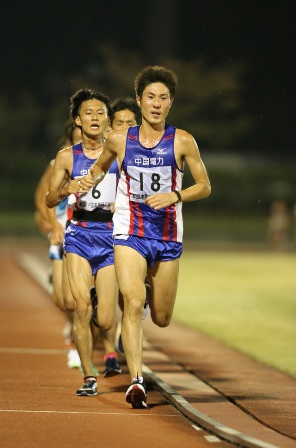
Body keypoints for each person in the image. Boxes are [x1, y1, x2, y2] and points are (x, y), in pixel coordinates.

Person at [79, 65, 211, 408]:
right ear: (139, 101)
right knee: (133, 303)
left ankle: (150, 290)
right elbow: (99, 166)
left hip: (167, 236)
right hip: (129, 231)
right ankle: (137, 380)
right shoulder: (120, 138)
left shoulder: (182, 141)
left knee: (162, 318)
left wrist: (176, 196)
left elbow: (205, 186)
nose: (156, 103)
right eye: (150, 97)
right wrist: (84, 182)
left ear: (170, 104)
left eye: (163, 98)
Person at [46, 88, 121, 396]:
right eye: (88, 113)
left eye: (100, 113)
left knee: (104, 319)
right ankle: (89, 376)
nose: (94, 117)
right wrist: (67, 188)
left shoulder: (120, 152)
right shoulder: (66, 157)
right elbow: (50, 199)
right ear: (77, 120)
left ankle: (94, 298)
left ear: (108, 121)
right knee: (79, 307)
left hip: (111, 236)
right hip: (79, 235)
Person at [35, 120, 82, 369]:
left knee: (80, 298)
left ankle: (79, 341)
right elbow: (42, 197)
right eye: (76, 138)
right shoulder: (59, 164)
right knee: (63, 300)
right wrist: (52, 225)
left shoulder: (100, 163)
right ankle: (73, 324)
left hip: (86, 234)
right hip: (61, 232)